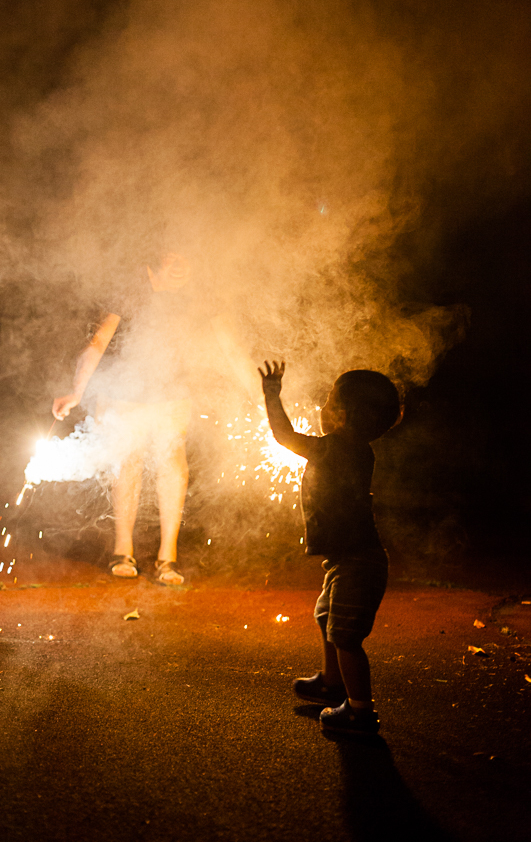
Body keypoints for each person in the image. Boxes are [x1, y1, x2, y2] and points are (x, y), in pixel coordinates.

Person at [53, 251, 257, 585]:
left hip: (172, 393)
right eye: (172, 260)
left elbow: (233, 348)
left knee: (173, 462)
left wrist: (261, 395)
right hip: (123, 393)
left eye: (186, 260)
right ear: (153, 263)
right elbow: (99, 341)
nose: (181, 268)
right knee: (128, 462)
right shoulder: (130, 290)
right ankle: (123, 549)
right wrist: (76, 391)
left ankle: (168, 557)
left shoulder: (200, 297)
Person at [259, 360, 401, 735]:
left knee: (346, 637)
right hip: (347, 561)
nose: (321, 409)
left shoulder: (337, 448)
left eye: (327, 403)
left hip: (357, 564)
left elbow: (283, 436)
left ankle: (359, 710)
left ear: (341, 416)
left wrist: (272, 394)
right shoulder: (357, 449)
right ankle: (331, 683)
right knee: (327, 618)